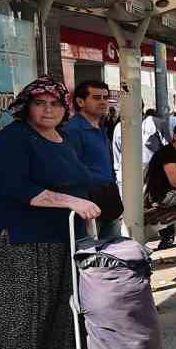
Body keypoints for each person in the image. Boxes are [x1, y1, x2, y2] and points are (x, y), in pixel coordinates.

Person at [0, 77, 101, 349]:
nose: (48, 110)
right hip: (21, 237)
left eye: (55, 104)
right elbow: (15, 187)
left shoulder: (61, 138)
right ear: (26, 106)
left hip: (61, 236)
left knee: (59, 304)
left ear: (65, 109)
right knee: (23, 308)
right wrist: (71, 202)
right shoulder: (14, 138)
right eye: (40, 103)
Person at [62, 78, 123, 239]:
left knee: (114, 251)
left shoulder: (100, 126)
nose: (103, 102)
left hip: (108, 194)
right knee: (92, 255)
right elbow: (71, 169)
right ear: (80, 101)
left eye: (105, 98)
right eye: (96, 98)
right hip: (88, 199)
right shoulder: (73, 130)